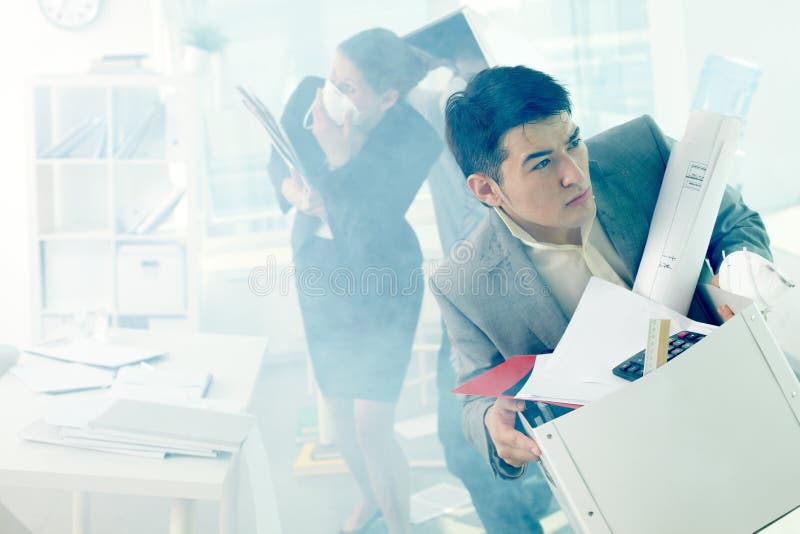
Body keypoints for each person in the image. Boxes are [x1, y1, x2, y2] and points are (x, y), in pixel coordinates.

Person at [430, 65, 772, 480]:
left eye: (573, 143)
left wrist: (739, 270)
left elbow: (734, 221)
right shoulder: (464, 284)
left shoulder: (641, 151)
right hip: (625, 462)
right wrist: (491, 425)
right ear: (487, 190)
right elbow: (475, 394)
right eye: (541, 164)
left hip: (742, 387)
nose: (573, 173)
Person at [267, 29, 442, 534]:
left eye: (349, 87)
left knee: (372, 424)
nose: (332, 93)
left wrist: (339, 157)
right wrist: (295, 191)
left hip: (382, 279)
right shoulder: (307, 96)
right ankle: (370, 497)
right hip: (321, 273)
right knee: (338, 414)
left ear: (386, 97)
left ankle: (399, 524)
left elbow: (369, 230)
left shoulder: (413, 138)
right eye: (332, 78)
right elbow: (276, 159)